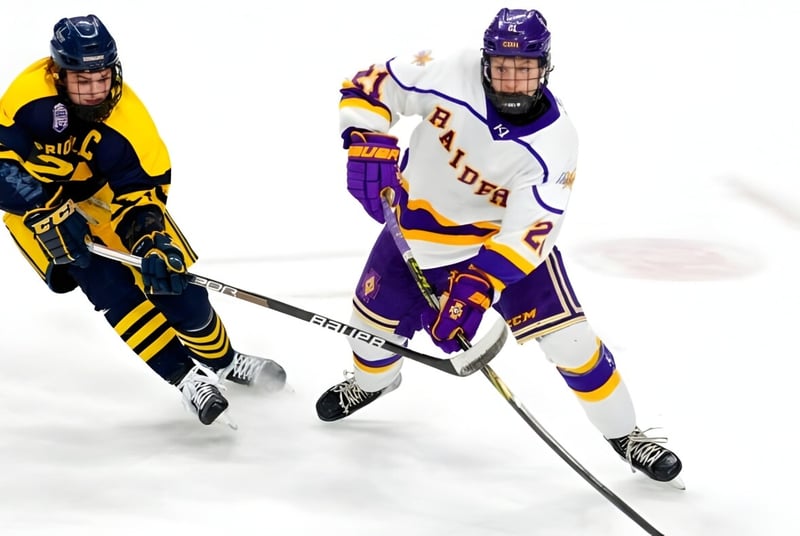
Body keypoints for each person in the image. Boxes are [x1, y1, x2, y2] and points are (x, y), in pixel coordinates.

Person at [315, 7, 682, 484]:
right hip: (414, 235)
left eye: (524, 69)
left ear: (545, 67)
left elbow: (531, 230)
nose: (511, 80)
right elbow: (372, 83)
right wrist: (366, 136)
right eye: (501, 67)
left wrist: (478, 287)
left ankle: (626, 434)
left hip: (497, 249)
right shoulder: (450, 70)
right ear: (486, 61)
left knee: (573, 343)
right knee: (366, 337)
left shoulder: (555, 142)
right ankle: (374, 385)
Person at [0, 14, 285, 426]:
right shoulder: (27, 98)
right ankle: (187, 379)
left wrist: (150, 241)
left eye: (101, 77)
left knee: (173, 284)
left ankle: (225, 361)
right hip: (36, 209)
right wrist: (46, 207)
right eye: (82, 80)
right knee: (109, 289)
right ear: (58, 74)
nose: (96, 90)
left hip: (107, 200)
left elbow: (141, 195)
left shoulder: (131, 124)